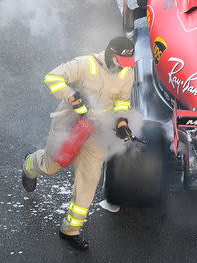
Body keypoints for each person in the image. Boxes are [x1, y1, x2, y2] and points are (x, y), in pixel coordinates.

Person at [21, 36, 136, 251]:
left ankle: (70, 230)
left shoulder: (126, 73)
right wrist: (71, 95)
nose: (124, 67)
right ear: (111, 53)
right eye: (121, 61)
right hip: (69, 125)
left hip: (96, 131)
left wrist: (121, 121)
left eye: (128, 63)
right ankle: (29, 165)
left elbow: (122, 101)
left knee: (90, 178)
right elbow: (52, 77)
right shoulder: (85, 64)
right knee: (51, 166)